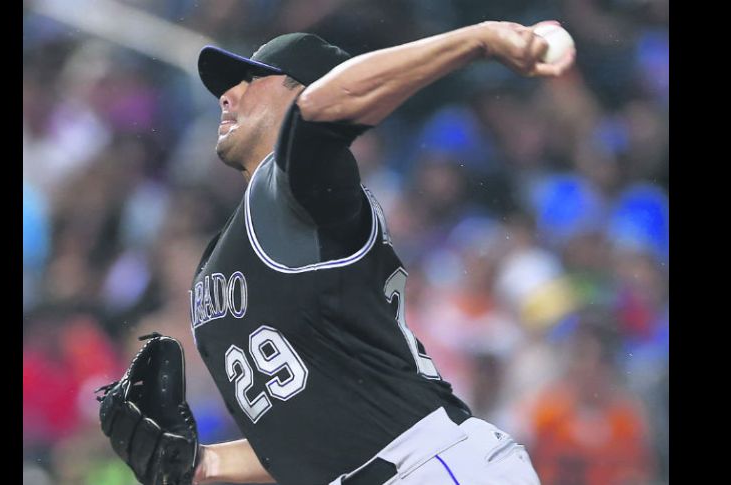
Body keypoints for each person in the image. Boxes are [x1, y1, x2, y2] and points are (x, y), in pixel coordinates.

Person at [188, 21, 574, 485]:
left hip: (427, 464)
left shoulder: (304, 192)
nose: (227, 95)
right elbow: (311, 439)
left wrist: (480, 39)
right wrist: (205, 463)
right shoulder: (226, 250)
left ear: (304, 92)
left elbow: (321, 113)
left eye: (251, 80)